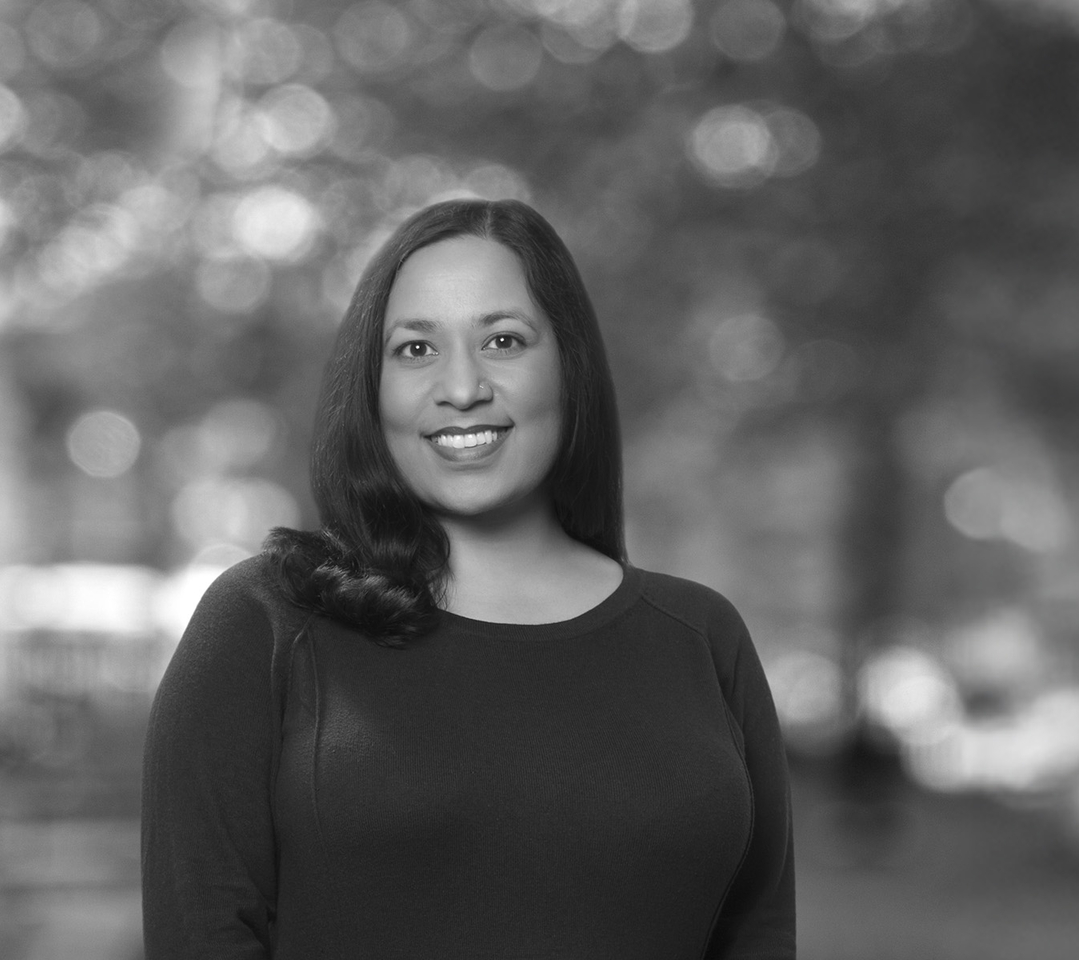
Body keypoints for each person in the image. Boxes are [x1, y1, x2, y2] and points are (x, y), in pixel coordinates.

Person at [142, 198, 795, 959]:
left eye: (503, 340)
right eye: (416, 349)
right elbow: (201, 934)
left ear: (570, 365)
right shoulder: (266, 622)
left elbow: (759, 936)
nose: (461, 387)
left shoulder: (701, 637)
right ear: (372, 386)